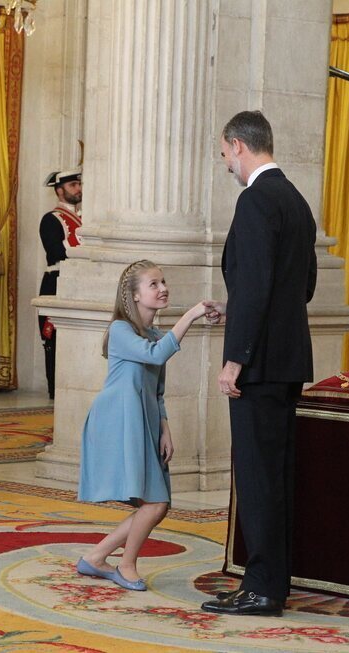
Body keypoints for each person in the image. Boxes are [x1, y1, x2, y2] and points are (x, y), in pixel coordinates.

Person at [200, 111, 318, 617]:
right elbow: (299, 287)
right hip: (288, 359)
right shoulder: (295, 200)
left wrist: (235, 359)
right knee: (276, 476)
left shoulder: (254, 201)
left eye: (225, 152)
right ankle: (272, 581)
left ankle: (263, 588)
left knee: (257, 477)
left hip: (260, 365)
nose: (225, 161)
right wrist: (242, 312)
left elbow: (252, 286)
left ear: (237, 145)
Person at [76, 260, 208, 591]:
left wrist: (165, 428)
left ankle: (96, 557)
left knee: (156, 504)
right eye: (153, 284)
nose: (162, 288)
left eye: (163, 282)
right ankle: (126, 565)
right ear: (134, 295)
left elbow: (157, 390)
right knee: (156, 502)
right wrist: (191, 314)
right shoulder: (121, 330)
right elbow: (156, 355)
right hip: (119, 420)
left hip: (145, 419)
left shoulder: (154, 334)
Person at [38, 169, 83, 399]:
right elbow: (56, 252)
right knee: (54, 340)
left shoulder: (85, 218)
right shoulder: (51, 219)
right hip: (57, 281)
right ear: (59, 190)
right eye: (73, 185)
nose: (78, 189)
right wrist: (82, 234)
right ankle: (55, 390)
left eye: (79, 184)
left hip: (82, 282)